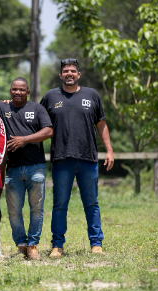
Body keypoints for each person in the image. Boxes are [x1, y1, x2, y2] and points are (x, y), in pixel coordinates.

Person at [40, 58, 114, 258]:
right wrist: (10, 105)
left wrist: (109, 149)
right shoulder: (50, 96)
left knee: (91, 203)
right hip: (61, 159)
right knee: (59, 204)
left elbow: (101, 124)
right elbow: (37, 119)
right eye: (66, 71)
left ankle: (96, 243)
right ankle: (57, 245)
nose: (69, 73)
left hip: (88, 158)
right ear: (60, 75)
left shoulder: (92, 95)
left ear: (78, 74)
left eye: (73, 71)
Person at [0, 77, 53, 260]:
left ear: (27, 92)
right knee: (13, 210)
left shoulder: (37, 109)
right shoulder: (2, 108)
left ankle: (33, 245)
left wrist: (23, 139)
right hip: (11, 169)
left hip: (36, 168)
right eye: (14, 89)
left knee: (36, 209)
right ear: (10, 91)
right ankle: (21, 245)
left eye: (21, 90)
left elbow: (49, 131)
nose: (17, 93)